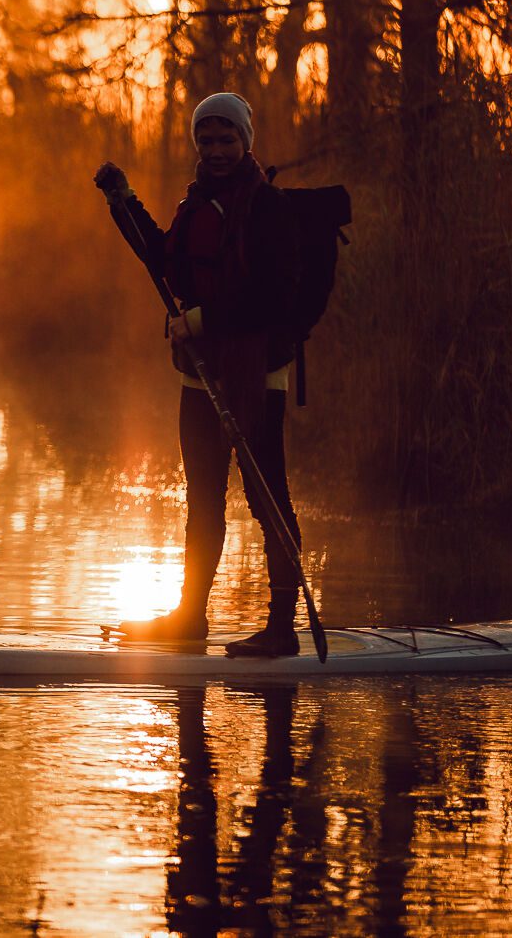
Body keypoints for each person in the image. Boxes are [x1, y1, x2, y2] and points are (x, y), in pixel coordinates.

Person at [106, 92, 305, 657]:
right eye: (207, 141)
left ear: (247, 142)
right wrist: (124, 203)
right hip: (199, 379)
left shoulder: (270, 210)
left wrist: (200, 319)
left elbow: (275, 297)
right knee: (203, 501)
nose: (217, 151)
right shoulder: (194, 205)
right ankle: (190, 617)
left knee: (270, 501)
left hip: (256, 377)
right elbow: (164, 259)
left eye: (227, 140)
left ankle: (282, 627)